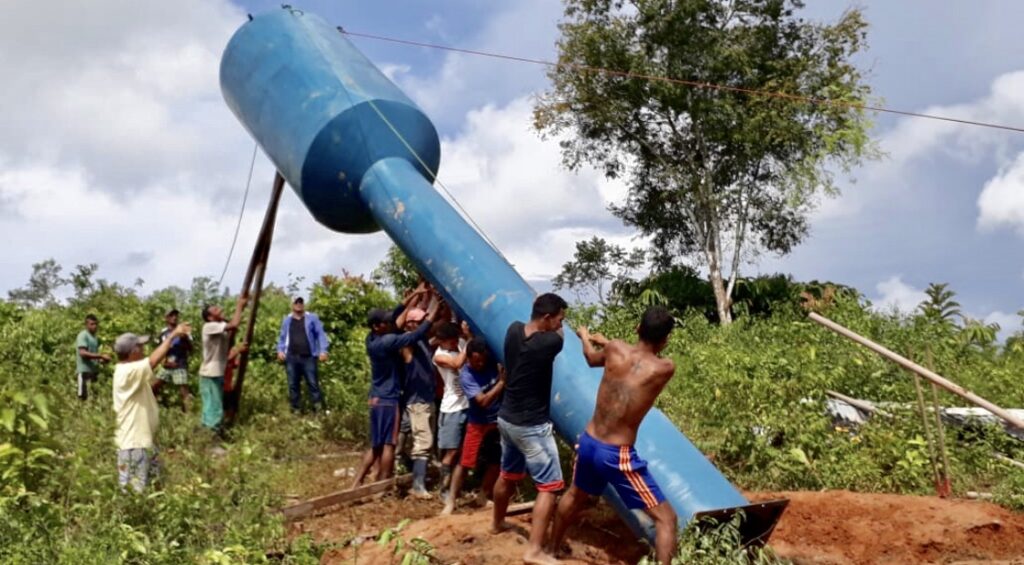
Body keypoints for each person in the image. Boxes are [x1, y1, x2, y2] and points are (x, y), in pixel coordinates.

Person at [549, 306, 679, 564]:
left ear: (637, 328)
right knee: (667, 519)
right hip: (617, 455)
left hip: (588, 442)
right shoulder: (665, 367)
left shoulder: (615, 348)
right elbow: (640, 360)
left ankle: (551, 549)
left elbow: (591, 357)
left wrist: (586, 336)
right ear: (665, 340)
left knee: (574, 496)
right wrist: (607, 342)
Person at [491, 292, 569, 565]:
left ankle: (498, 522)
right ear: (547, 318)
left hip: (507, 417)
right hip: (532, 426)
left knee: (508, 474)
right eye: (559, 319)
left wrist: (543, 306)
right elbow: (560, 337)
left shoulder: (513, 330)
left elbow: (535, 325)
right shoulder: (548, 343)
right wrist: (559, 326)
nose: (561, 324)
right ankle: (534, 551)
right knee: (549, 487)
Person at [352, 296, 441, 487]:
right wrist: (432, 315)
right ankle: (383, 484)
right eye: (385, 322)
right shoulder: (388, 342)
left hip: (375, 398)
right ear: (377, 326)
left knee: (375, 445)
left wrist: (415, 294)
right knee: (388, 445)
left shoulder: (371, 339)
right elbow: (415, 335)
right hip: (389, 399)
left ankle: (357, 482)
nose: (390, 323)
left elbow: (395, 316)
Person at [112, 321, 191, 493]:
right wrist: (173, 335)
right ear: (133, 351)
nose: (143, 350)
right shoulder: (128, 371)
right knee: (134, 493)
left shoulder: (130, 371)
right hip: (133, 445)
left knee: (154, 488)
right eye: (140, 347)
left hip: (144, 443)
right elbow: (153, 360)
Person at [443, 336, 504, 516]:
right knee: (465, 462)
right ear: (468, 358)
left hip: (497, 421)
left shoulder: (492, 361)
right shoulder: (467, 376)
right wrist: (501, 383)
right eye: (476, 361)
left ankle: (483, 495)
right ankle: (451, 501)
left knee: (496, 462)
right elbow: (482, 401)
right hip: (477, 422)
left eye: (482, 360)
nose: (480, 364)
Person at [399, 307, 438, 498]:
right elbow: (421, 331)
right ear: (411, 324)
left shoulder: (422, 342)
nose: (425, 324)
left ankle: (420, 480)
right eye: (420, 321)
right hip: (417, 401)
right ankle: (417, 485)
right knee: (423, 441)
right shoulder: (407, 343)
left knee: (427, 441)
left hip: (426, 398)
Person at [432, 321, 470, 501]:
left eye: (456, 340)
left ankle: (456, 488)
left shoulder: (460, 345)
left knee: (462, 450)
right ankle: (444, 490)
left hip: (466, 405)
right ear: (442, 341)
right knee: (451, 451)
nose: (455, 343)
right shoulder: (439, 356)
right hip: (452, 407)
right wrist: (468, 343)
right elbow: (456, 363)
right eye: (451, 341)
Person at [198, 297, 247, 434]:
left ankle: (207, 432)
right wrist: (239, 306)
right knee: (214, 406)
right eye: (215, 309)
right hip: (210, 373)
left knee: (212, 404)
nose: (219, 309)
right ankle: (213, 435)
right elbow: (234, 324)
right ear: (209, 317)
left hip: (216, 372)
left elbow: (231, 332)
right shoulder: (209, 326)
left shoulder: (219, 327)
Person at [275, 296, 329, 413]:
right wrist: (280, 350)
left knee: (313, 383)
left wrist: (323, 351)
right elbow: (282, 337)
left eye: (301, 302)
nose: (299, 304)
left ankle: (318, 409)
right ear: (292, 304)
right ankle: (296, 410)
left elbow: (321, 335)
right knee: (293, 385)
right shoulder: (287, 320)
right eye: (296, 302)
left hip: (308, 357)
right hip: (292, 357)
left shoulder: (312, 318)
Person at [154, 309, 193, 412]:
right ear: (166, 318)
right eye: (171, 315)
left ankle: (188, 415)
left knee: (183, 390)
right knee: (154, 386)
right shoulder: (163, 333)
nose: (174, 317)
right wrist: (164, 362)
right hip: (166, 365)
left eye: (176, 315)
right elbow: (159, 349)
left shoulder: (184, 330)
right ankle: (152, 408)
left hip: (179, 364)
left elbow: (191, 349)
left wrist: (185, 338)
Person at [75, 314, 110, 400]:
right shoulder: (83, 335)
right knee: (83, 397)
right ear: (86, 325)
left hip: (93, 371)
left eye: (96, 324)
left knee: (94, 397)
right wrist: (101, 356)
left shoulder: (95, 338)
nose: (94, 326)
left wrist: (101, 360)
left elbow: (93, 354)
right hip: (84, 370)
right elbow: (82, 353)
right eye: (92, 324)